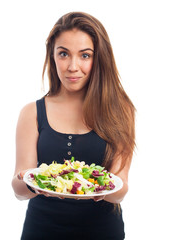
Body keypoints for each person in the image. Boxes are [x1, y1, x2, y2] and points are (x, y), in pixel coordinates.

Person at [12, 11, 135, 240]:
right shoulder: (32, 112)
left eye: (85, 55)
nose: (72, 66)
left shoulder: (121, 111)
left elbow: (121, 189)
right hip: (41, 231)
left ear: (99, 58)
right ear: (53, 56)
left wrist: (106, 189)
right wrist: (28, 181)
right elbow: (19, 190)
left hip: (103, 232)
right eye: (64, 54)